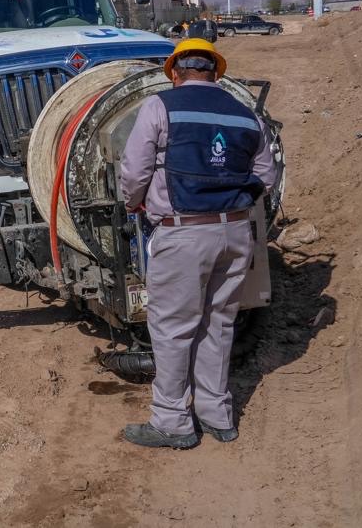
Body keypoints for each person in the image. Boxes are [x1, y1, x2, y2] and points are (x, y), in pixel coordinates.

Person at [118, 38, 277, 448]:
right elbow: (267, 177)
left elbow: (134, 170)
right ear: (216, 72)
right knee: (219, 322)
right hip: (236, 231)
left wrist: (134, 203)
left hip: (183, 232)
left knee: (172, 328)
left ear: (174, 72)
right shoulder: (247, 116)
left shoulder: (160, 106)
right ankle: (216, 415)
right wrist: (236, 200)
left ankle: (172, 423)